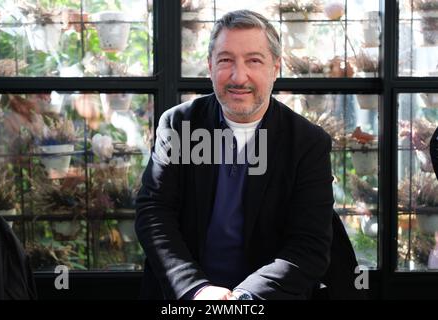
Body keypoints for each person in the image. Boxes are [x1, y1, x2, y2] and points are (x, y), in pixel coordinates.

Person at [135, 9, 334, 300]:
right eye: (226, 60)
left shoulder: (308, 143)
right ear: (210, 67)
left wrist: (243, 300)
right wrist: (195, 289)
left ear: (275, 68)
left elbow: (309, 245)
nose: (239, 77)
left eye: (254, 60)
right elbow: (154, 213)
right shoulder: (179, 125)